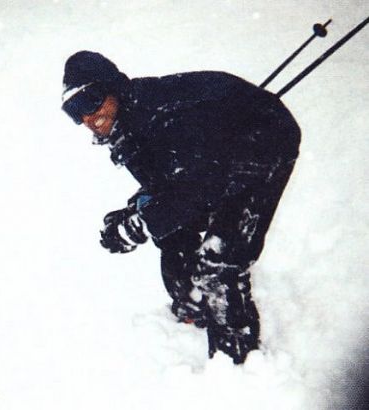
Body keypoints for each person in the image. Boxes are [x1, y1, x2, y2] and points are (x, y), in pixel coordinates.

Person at [61, 50, 301, 364]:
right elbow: (167, 186)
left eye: (90, 101)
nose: (87, 118)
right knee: (170, 227)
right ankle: (194, 305)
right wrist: (136, 211)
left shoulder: (162, 117)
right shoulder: (126, 130)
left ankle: (238, 364)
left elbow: (198, 188)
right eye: (74, 111)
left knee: (219, 260)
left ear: (113, 90)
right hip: (213, 163)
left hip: (264, 144)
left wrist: (140, 223)